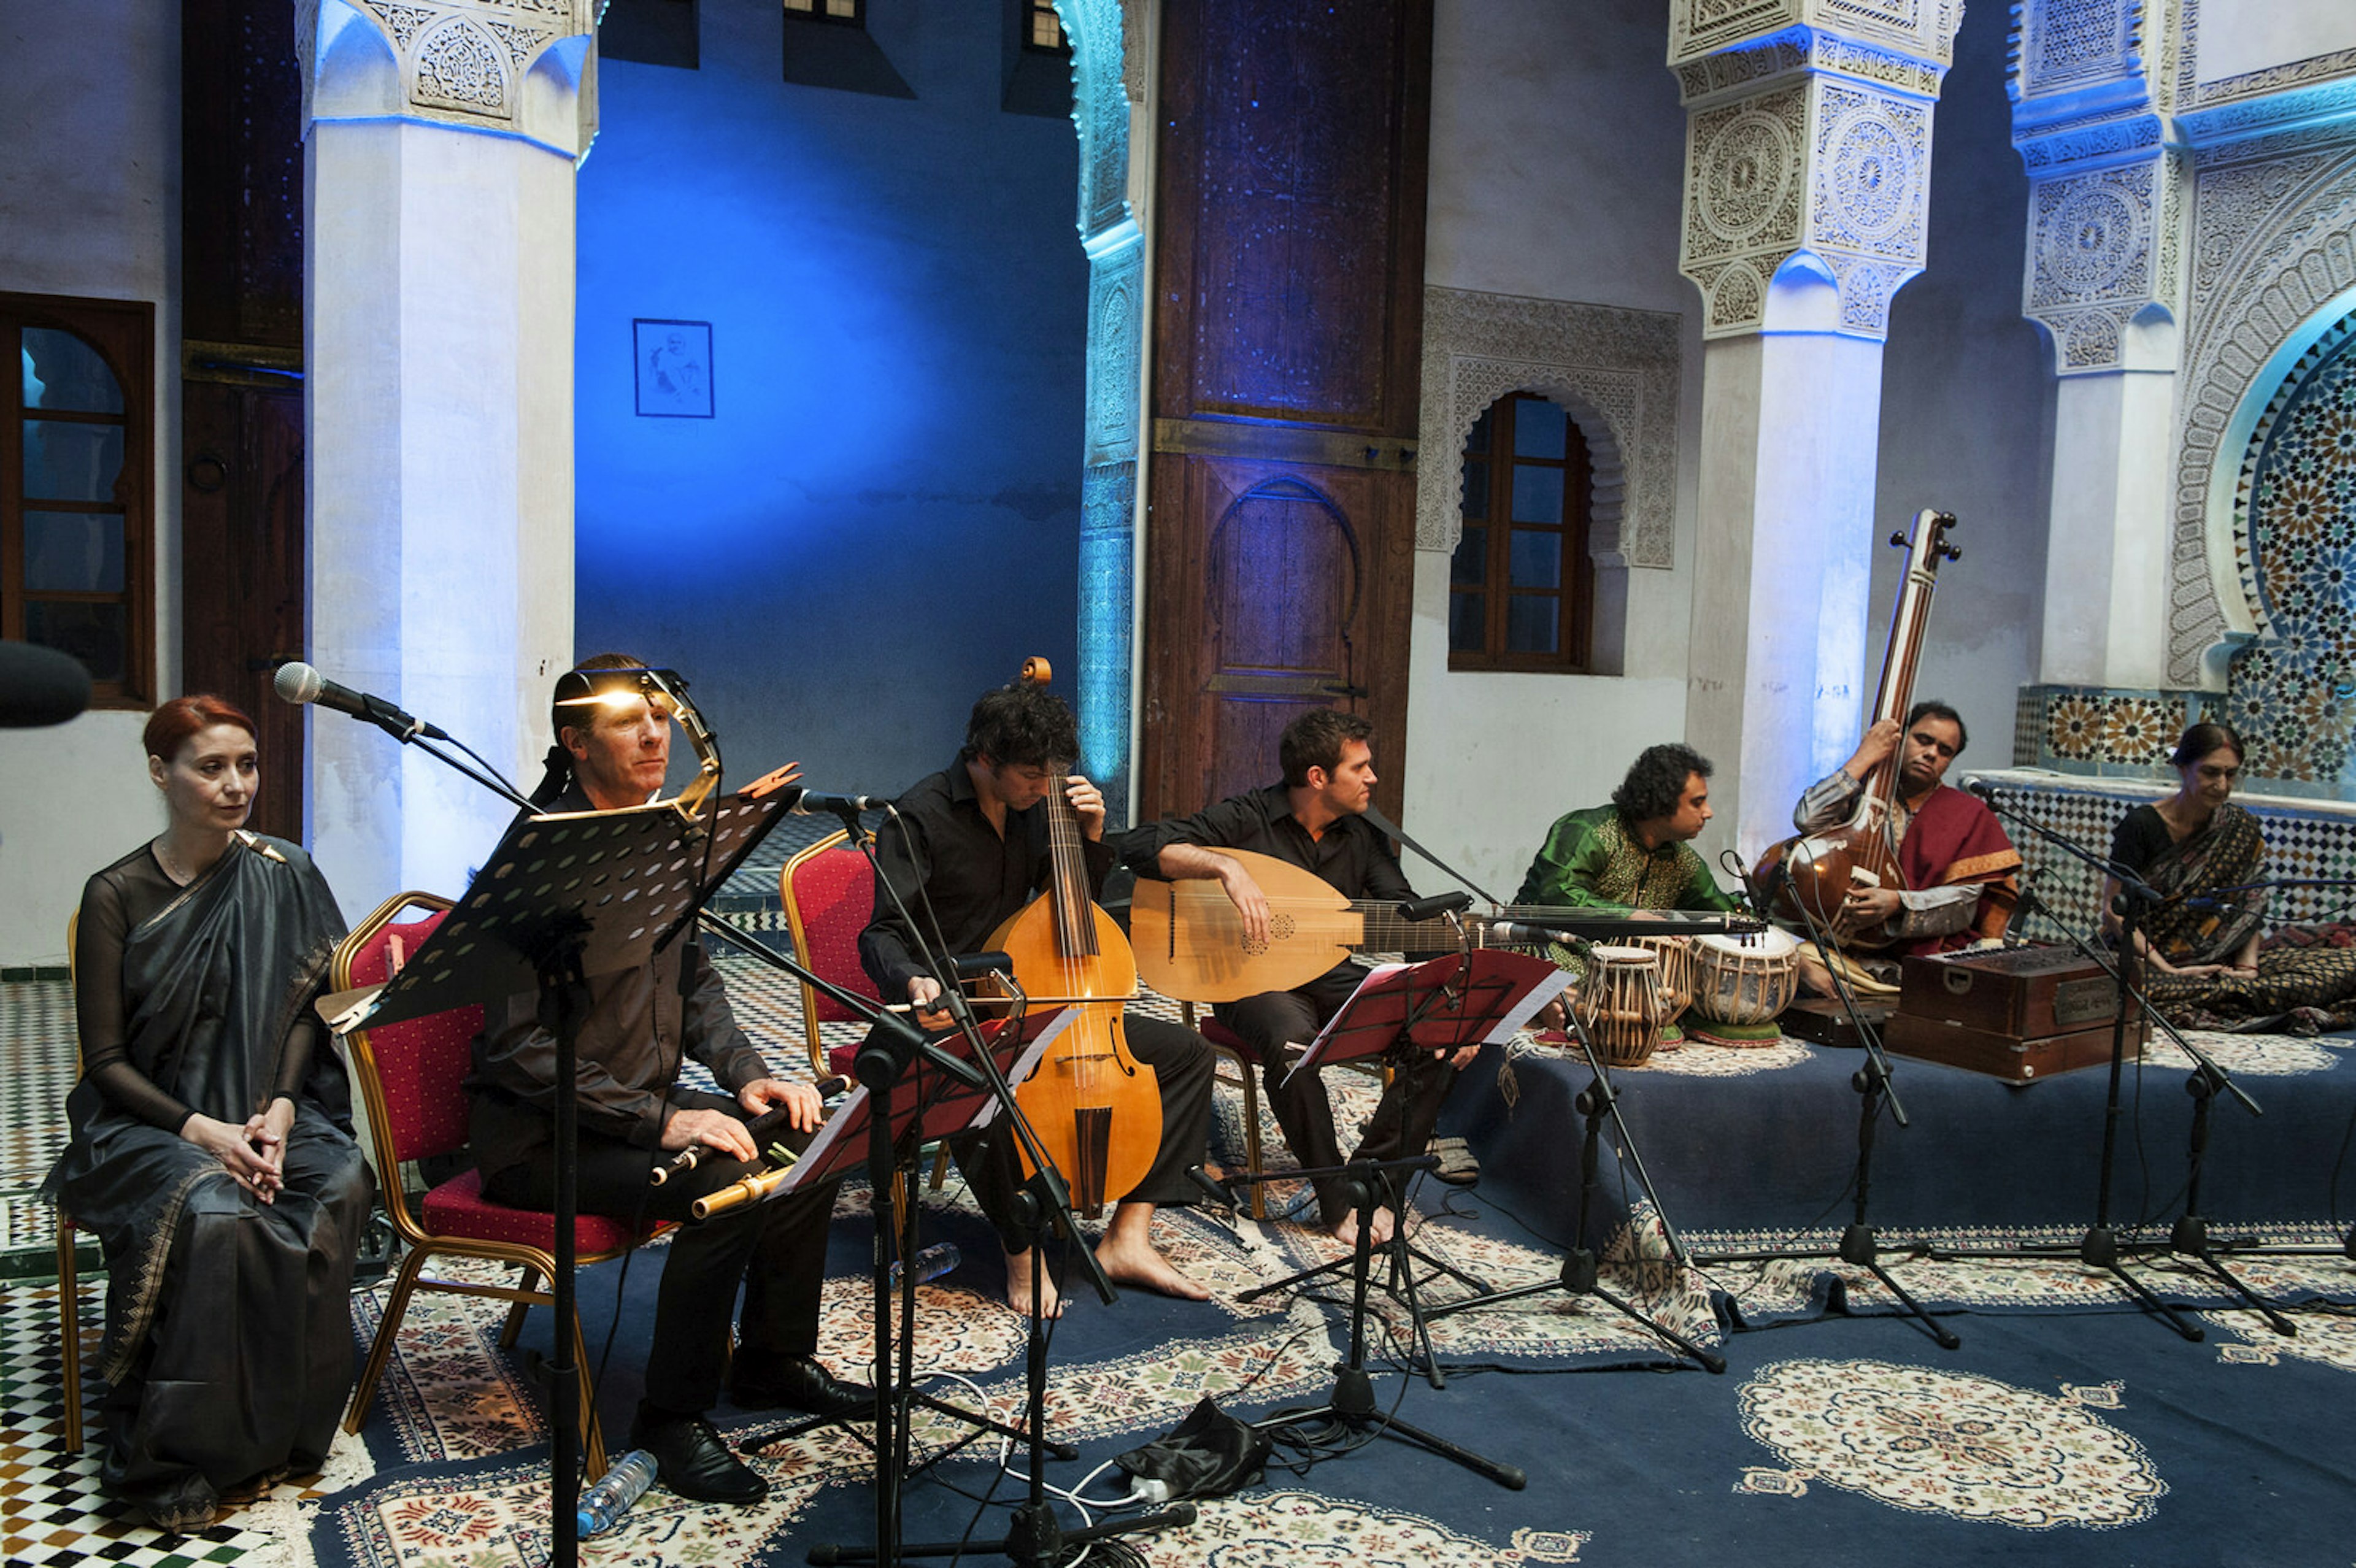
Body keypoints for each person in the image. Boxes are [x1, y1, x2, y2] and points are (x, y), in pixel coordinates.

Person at [467, 655, 862, 1509]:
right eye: (626, 721)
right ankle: (670, 1417)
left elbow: (697, 985)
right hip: (541, 1137)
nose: (655, 735)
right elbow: (517, 1051)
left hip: (635, 1113)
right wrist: (664, 1120)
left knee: (805, 1133)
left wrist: (751, 1078)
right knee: (727, 1181)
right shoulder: (535, 861)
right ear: (575, 743)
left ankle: (770, 1360)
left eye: (661, 717)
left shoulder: (659, 836)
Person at [40, 696, 374, 1531]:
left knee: (335, 1183)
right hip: (152, 1126)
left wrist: (285, 1109)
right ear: (161, 773)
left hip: (270, 1111)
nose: (236, 786)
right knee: (221, 1212)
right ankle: (183, 1452)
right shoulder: (116, 893)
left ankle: (286, 1432)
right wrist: (206, 1132)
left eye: (248, 765)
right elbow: (108, 1064)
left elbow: (312, 1006)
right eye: (211, 767)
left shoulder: (284, 870)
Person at [859, 680, 1217, 1319]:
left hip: (1030, 998)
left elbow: (1067, 905)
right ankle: (1020, 1253)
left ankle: (1128, 1237)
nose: (1044, 786)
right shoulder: (918, 816)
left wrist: (1090, 835)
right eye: (1031, 774)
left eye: (1054, 773)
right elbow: (881, 931)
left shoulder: (1035, 810)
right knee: (985, 1089)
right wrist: (915, 981)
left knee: (1188, 1053)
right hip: (954, 1006)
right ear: (984, 760)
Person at [1123, 708, 1473, 1248]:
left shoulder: (1361, 835)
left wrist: (1452, 958)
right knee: (1293, 1045)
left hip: (1329, 974)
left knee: (1446, 1034)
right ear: (1317, 778)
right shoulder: (1247, 818)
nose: (1372, 778)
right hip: (1250, 983)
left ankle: (1370, 1180)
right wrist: (1226, 868)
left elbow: (1402, 912)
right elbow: (1139, 845)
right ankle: (1337, 1201)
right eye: (1360, 768)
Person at [2101, 722, 2356, 1026]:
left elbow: (2251, 905)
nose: (2222, 785)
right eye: (2211, 772)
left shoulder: (2240, 826)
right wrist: (2168, 969)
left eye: (2230, 774)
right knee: (2120, 986)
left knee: (2347, 965)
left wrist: (2248, 970)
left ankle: (2236, 992)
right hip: (2150, 963)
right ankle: (2220, 994)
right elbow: (2112, 912)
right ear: (2183, 768)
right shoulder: (2142, 825)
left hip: (2220, 964)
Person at [1787, 699, 2020, 991]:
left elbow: (1964, 904)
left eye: (1944, 751)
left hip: (1926, 958)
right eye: (1924, 740)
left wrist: (1899, 904)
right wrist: (1864, 758)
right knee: (1798, 964)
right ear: (1900, 740)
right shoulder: (1862, 795)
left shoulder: (1968, 813)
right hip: (1847, 948)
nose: (1931, 754)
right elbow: (1807, 819)